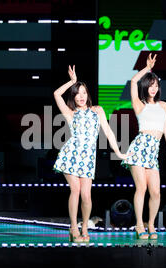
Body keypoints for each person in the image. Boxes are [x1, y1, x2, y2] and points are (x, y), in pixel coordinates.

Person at [53, 65, 128, 243]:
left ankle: (85, 226)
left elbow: (108, 132)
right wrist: (71, 82)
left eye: (84, 93)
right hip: (71, 155)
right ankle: (73, 228)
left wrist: (118, 151)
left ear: (88, 95)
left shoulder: (97, 110)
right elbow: (57, 94)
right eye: (77, 93)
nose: (81, 96)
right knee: (76, 190)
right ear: (73, 96)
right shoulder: (70, 113)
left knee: (87, 195)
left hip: (87, 158)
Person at [122, 53, 166, 240]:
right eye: (150, 85)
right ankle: (139, 225)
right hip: (139, 148)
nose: (153, 88)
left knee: (156, 192)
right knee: (141, 188)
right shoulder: (139, 104)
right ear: (146, 87)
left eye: (156, 85)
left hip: (153, 152)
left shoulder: (163, 106)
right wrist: (147, 68)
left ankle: (151, 224)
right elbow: (133, 82)